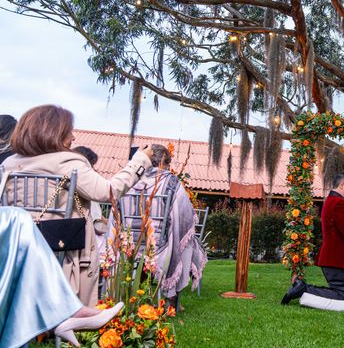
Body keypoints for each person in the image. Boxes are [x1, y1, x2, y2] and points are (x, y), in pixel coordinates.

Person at [0, 104, 153, 306]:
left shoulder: (9, 165)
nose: (73, 137)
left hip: (18, 252)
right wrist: (139, 161)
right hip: (64, 256)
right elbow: (107, 191)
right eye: (68, 131)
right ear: (53, 132)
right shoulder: (68, 162)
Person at [0, 206, 123, 348]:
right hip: (52, 220)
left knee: (19, 223)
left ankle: (64, 312)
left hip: (41, 223)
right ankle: (66, 313)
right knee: (18, 219)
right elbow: (100, 191)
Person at [118, 144, 207, 305]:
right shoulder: (170, 181)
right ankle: (171, 298)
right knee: (185, 242)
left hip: (129, 243)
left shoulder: (129, 179)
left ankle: (132, 293)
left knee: (180, 239)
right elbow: (185, 214)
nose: (169, 168)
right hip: (160, 245)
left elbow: (116, 213)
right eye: (168, 165)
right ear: (162, 164)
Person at [281, 172, 344, 311]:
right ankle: (303, 288)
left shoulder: (331, 200)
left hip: (335, 259)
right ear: (342, 185)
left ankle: (303, 288)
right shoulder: (340, 204)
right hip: (339, 259)